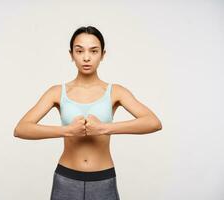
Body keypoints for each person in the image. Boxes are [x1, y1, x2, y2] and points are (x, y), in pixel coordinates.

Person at [13, 25, 162, 200]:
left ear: (102, 55)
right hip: (66, 179)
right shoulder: (56, 92)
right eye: (79, 51)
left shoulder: (116, 91)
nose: (86, 57)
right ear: (71, 55)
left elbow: (153, 122)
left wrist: (104, 128)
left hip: (103, 179)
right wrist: (67, 130)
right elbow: (21, 129)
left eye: (93, 51)